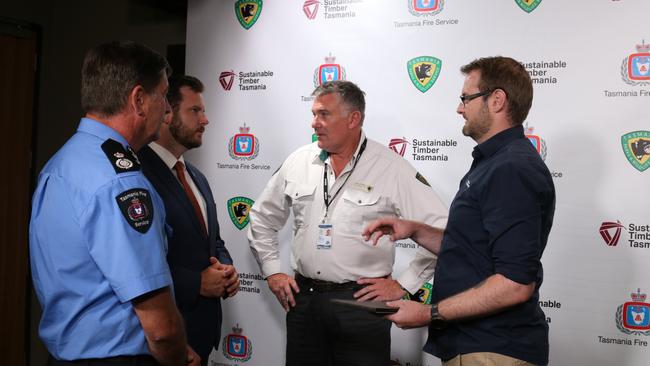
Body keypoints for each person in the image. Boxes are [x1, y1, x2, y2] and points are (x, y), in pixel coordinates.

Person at [363, 56, 556, 366]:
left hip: (493, 349)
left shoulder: (510, 168)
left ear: (496, 100)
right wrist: (415, 230)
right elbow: (474, 250)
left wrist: (428, 313)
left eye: (466, 98)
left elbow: (516, 283)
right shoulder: (494, 163)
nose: (459, 107)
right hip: (478, 345)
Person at [247, 80, 448, 365]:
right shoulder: (299, 161)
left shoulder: (390, 166)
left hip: (364, 304)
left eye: (324, 114)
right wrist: (272, 272)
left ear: (354, 119)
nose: (314, 123)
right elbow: (261, 218)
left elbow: (442, 229)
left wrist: (405, 284)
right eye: (314, 114)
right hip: (304, 300)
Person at [29, 41, 199, 366]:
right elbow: (160, 327)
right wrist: (176, 356)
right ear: (138, 100)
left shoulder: (61, 164)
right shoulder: (121, 181)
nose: (166, 110)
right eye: (163, 96)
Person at [139, 75, 239, 365]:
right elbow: (138, 260)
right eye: (195, 111)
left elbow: (212, 240)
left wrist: (226, 266)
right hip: (166, 341)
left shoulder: (197, 177)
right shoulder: (138, 177)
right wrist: (194, 283)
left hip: (201, 336)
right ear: (167, 114)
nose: (205, 120)